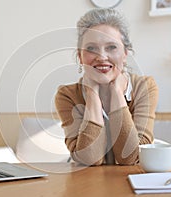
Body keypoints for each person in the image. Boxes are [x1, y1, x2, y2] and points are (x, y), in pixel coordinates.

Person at [54, 8, 159, 166]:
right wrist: (92, 95)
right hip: (88, 186)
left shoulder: (144, 87)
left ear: (125, 54)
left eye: (111, 47)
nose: (102, 57)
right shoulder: (67, 95)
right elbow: (89, 158)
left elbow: (131, 157)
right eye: (91, 48)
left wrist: (117, 92)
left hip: (134, 184)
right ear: (80, 56)